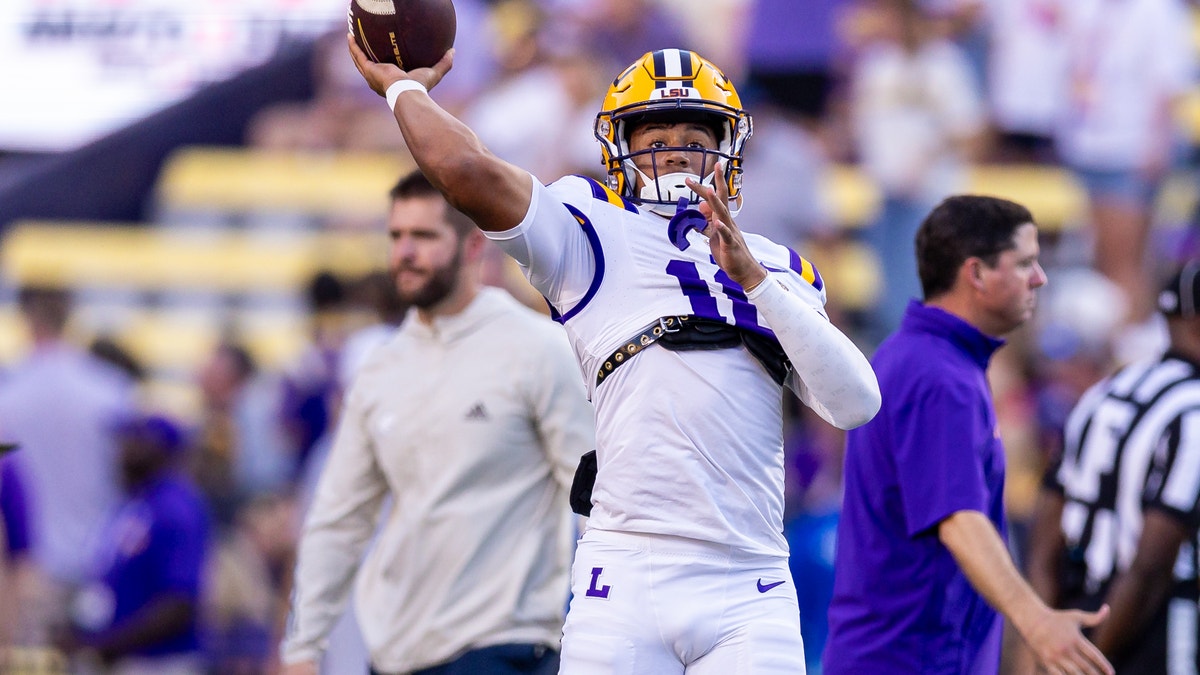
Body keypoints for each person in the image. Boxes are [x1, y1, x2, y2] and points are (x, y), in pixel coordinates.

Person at [348, 39, 881, 673]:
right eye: (655, 134)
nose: (677, 147)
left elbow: (855, 405)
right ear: (619, 148)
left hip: (751, 581)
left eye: (695, 131)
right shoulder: (587, 225)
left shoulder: (780, 267)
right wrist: (405, 92)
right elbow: (469, 173)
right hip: (627, 572)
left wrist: (756, 284)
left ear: (728, 145)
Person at [279, 170, 596, 675]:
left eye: (424, 236)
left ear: (473, 246)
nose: (405, 252)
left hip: (504, 647)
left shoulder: (538, 349)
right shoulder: (381, 368)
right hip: (393, 653)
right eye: (396, 236)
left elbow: (597, 503)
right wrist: (301, 646)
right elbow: (340, 518)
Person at [823, 195, 1113, 674]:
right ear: (976, 274)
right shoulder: (938, 375)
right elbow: (958, 518)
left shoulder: (930, 359)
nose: (1039, 278)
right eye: (1024, 263)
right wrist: (1037, 623)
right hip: (912, 660)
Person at [1023, 259, 1200, 673]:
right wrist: (1090, 663)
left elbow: (1045, 536)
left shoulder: (1104, 391)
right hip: (1157, 632)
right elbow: (1150, 567)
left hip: (1076, 611)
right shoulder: (1193, 411)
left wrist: (1051, 645)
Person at [0, 285, 138, 646]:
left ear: (27, 318)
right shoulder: (111, 389)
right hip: (98, 560)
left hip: (29, 568)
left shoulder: (9, 393)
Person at [55, 413, 210, 674]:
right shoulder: (134, 501)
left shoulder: (177, 508)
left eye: (133, 443)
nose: (122, 451)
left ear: (160, 449)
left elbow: (179, 603)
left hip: (158, 663)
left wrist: (105, 645)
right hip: (120, 658)